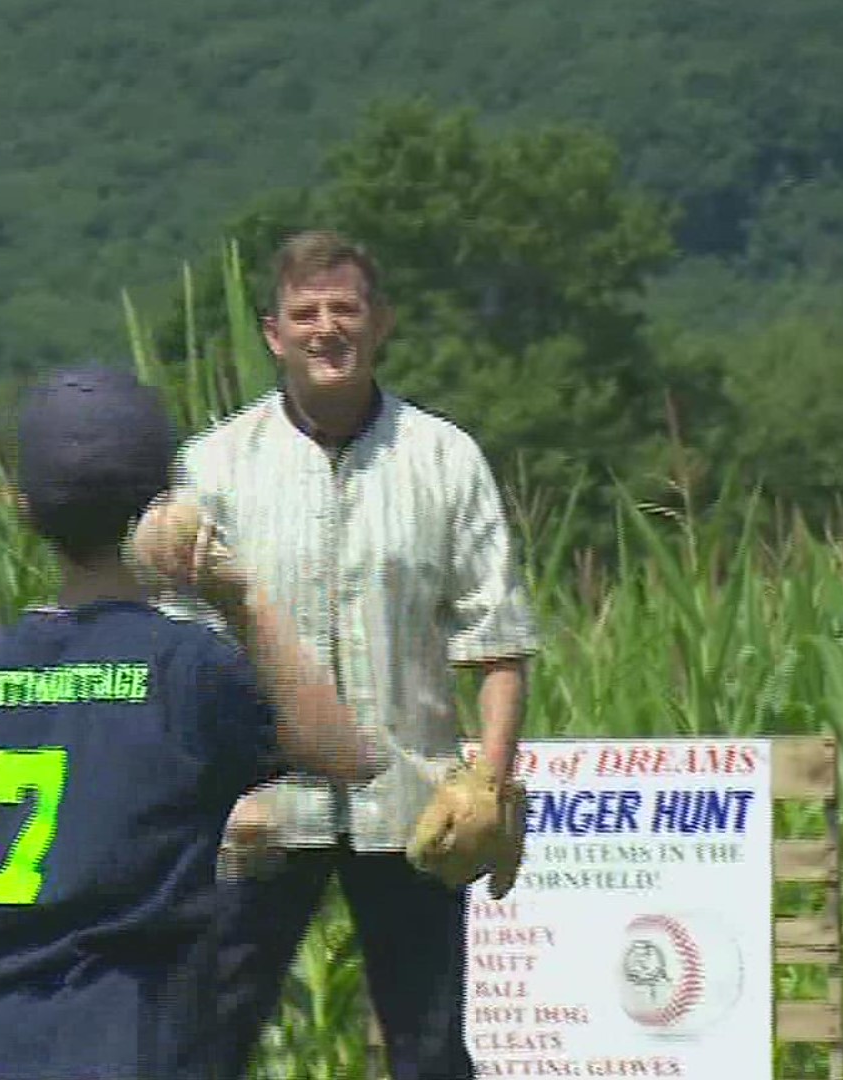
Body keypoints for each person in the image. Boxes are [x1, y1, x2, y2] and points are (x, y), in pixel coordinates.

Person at [0, 366, 387, 1080]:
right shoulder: (188, 669)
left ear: (21, 509)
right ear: (163, 503)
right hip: (142, 1031)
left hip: (1, 1037)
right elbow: (345, 754)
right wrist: (241, 599)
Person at [165, 230, 540, 1079]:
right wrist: (203, 791)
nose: (326, 329)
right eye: (306, 313)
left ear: (382, 324)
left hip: (411, 808)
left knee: (432, 1050)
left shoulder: (444, 460)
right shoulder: (215, 466)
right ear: (273, 333)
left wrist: (489, 782)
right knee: (204, 1042)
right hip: (261, 808)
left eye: (346, 309)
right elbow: (177, 646)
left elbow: (500, 640)